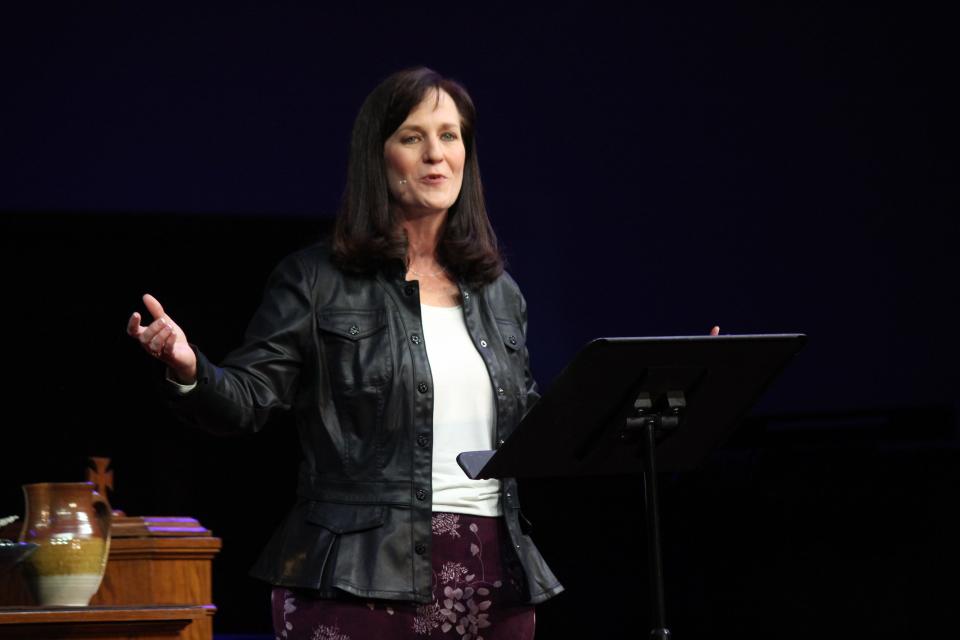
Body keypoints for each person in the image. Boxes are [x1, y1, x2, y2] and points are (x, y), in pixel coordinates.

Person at [127, 67, 562, 640]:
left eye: (450, 135)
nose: (436, 154)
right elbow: (248, 399)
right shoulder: (316, 280)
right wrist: (190, 369)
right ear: (377, 157)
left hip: (492, 572)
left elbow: (534, 430)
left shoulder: (500, 294)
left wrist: (656, 389)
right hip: (357, 574)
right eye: (412, 137)